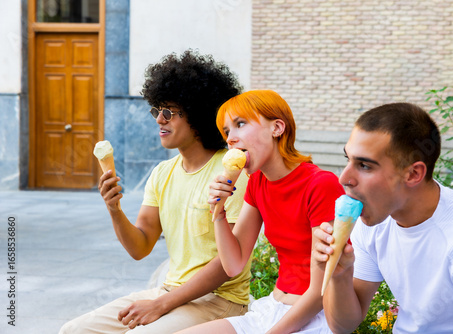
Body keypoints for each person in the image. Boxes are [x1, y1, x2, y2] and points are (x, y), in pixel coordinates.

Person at [60, 50, 251, 334]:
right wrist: (114, 209)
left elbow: (227, 264)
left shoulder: (231, 173)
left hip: (219, 300)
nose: (159, 120)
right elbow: (140, 247)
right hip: (169, 292)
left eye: (169, 112)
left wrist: (160, 305)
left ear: (198, 114)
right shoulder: (162, 173)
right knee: (74, 330)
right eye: (156, 110)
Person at [314, 102, 453, 333]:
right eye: (347, 159)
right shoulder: (373, 221)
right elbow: (343, 326)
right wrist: (339, 275)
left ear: (413, 174)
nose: (344, 178)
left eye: (364, 165)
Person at [176, 90, 345, 334]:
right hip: (272, 309)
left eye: (240, 124)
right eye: (226, 132)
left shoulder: (321, 184)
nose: (230, 139)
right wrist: (219, 212)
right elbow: (233, 265)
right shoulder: (257, 182)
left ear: (277, 128)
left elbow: (322, 291)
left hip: (314, 317)